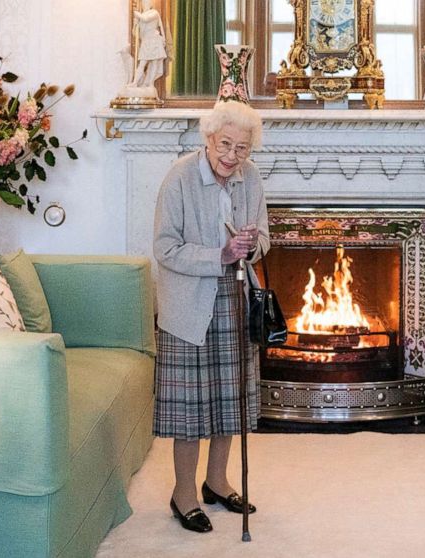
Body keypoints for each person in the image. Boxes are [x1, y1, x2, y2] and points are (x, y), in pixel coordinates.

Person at [152, 101, 268, 534]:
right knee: (191, 410)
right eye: (225, 145)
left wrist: (251, 245)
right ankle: (183, 494)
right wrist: (219, 254)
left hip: (235, 299)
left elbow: (265, 238)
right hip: (188, 305)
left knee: (228, 401)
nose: (232, 156)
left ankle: (216, 482)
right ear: (208, 138)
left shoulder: (250, 177)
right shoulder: (180, 177)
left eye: (242, 148)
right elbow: (164, 248)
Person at [131, 0, 168, 89]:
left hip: (154, 40)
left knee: (155, 62)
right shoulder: (141, 17)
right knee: (142, 63)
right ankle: (135, 82)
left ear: (150, 4)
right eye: (144, 3)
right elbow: (135, 34)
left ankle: (150, 83)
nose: (145, 4)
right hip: (146, 41)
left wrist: (137, 14)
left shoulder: (154, 13)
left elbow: (146, 19)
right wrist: (135, 24)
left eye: (146, 2)